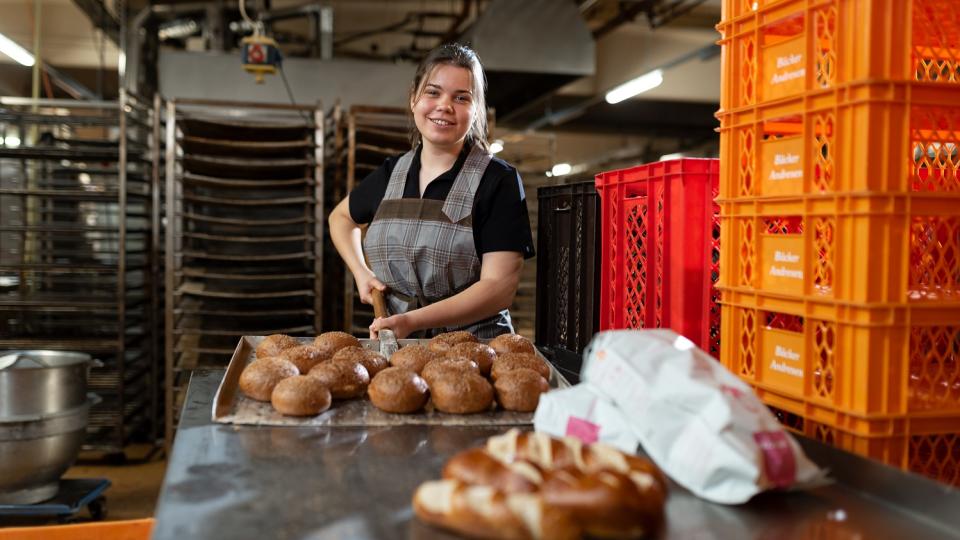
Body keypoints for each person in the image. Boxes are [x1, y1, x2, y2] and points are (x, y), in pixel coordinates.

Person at [328, 42, 535, 340]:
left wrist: (412, 321)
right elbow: (341, 218)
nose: (444, 106)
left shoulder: (497, 181)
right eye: (433, 92)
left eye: (461, 97)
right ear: (414, 99)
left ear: (476, 110)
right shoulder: (392, 174)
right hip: (399, 346)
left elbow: (498, 289)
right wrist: (361, 272)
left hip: (475, 350)